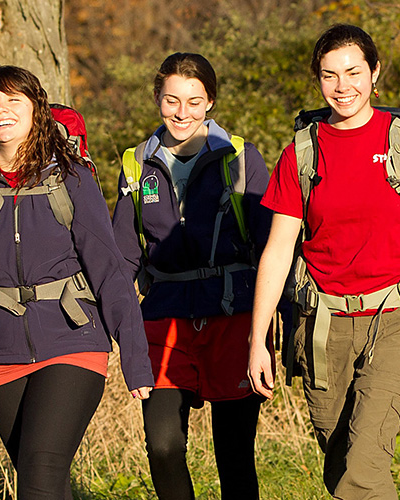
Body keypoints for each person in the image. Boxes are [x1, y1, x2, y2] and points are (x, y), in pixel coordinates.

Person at [247, 24, 400, 499]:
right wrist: (258, 340)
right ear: (318, 80)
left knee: (364, 467)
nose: (342, 86)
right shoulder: (300, 154)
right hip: (323, 324)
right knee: (341, 464)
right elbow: (277, 251)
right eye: (329, 75)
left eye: (353, 72)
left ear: (375, 73)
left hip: (395, 319)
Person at [0, 65, 153, 499]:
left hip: (72, 342)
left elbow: (110, 270)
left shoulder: (71, 178)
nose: (1, 111)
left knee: (38, 476)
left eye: (13, 101)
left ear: (37, 111)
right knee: (46, 481)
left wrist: (136, 358)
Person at [110, 53, 273, 500]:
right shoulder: (135, 164)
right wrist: (113, 328)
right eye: (171, 100)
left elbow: (269, 245)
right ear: (158, 100)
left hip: (233, 315)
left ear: (211, 102)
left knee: (234, 454)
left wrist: (274, 325)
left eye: (194, 101)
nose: (182, 112)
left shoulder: (241, 158)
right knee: (163, 447)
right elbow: (122, 256)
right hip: (163, 318)